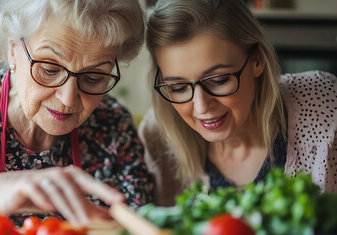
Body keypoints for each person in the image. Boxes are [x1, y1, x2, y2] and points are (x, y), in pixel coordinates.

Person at [0, 0, 154, 235]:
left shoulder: (112, 124)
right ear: (12, 48)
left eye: (93, 78)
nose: (68, 99)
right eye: (49, 69)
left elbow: (143, 227)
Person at [139, 0, 337, 206]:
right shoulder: (158, 136)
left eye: (218, 80)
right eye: (178, 88)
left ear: (257, 60)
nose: (201, 107)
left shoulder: (324, 104)